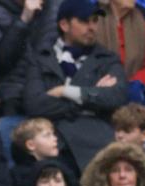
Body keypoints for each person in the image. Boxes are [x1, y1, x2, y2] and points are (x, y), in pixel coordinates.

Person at [23, 0, 128, 173]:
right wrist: (88, 96)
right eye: (84, 21)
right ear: (64, 25)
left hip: (97, 137)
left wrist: (64, 91)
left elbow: (116, 96)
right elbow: (34, 103)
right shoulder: (41, 57)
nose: (92, 27)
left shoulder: (107, 59)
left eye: (95, 21)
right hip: (57, 141)